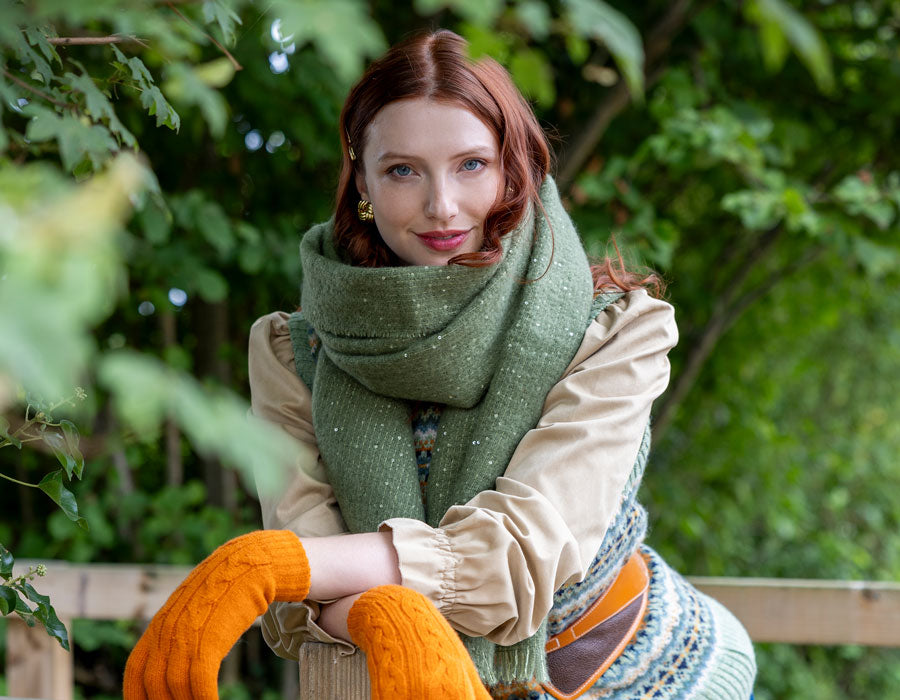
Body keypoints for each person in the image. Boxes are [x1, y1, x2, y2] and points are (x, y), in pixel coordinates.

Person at [124, 29, 756, 700]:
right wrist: (384, 616)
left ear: (515, 168)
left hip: (635, 666)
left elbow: (517, 556)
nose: (442, 206)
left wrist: (270, 565)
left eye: (472, 165)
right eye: (403, 170)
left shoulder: (610, 329)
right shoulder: (292, 353)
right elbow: (306, 582)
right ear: (361, 179)